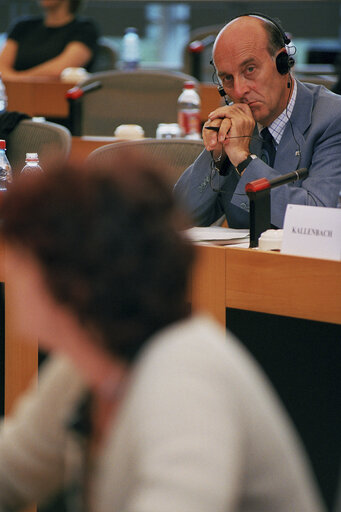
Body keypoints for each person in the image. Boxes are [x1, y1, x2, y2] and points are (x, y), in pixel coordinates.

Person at [0, 153, 326, 512]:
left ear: (70, 280)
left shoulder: (185, 379)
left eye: (21, 255)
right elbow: (13, 470)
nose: (9, 267)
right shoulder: (92, 357)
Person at [174, 13, 341, 228]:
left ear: (283, 62)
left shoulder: (332, 119)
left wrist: (244, 161)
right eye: (227, 78)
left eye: (250, 70)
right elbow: (177, 220)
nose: (240, 90)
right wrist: (217, 156)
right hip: (239, 261)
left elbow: (317, 223)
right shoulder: (234, 124)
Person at [0, 0, 98, 79]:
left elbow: (62, 69)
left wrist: (18, 78)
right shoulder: (22, 26)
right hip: (14, 94)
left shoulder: (84, 29)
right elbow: (2, 66)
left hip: (57, 96)